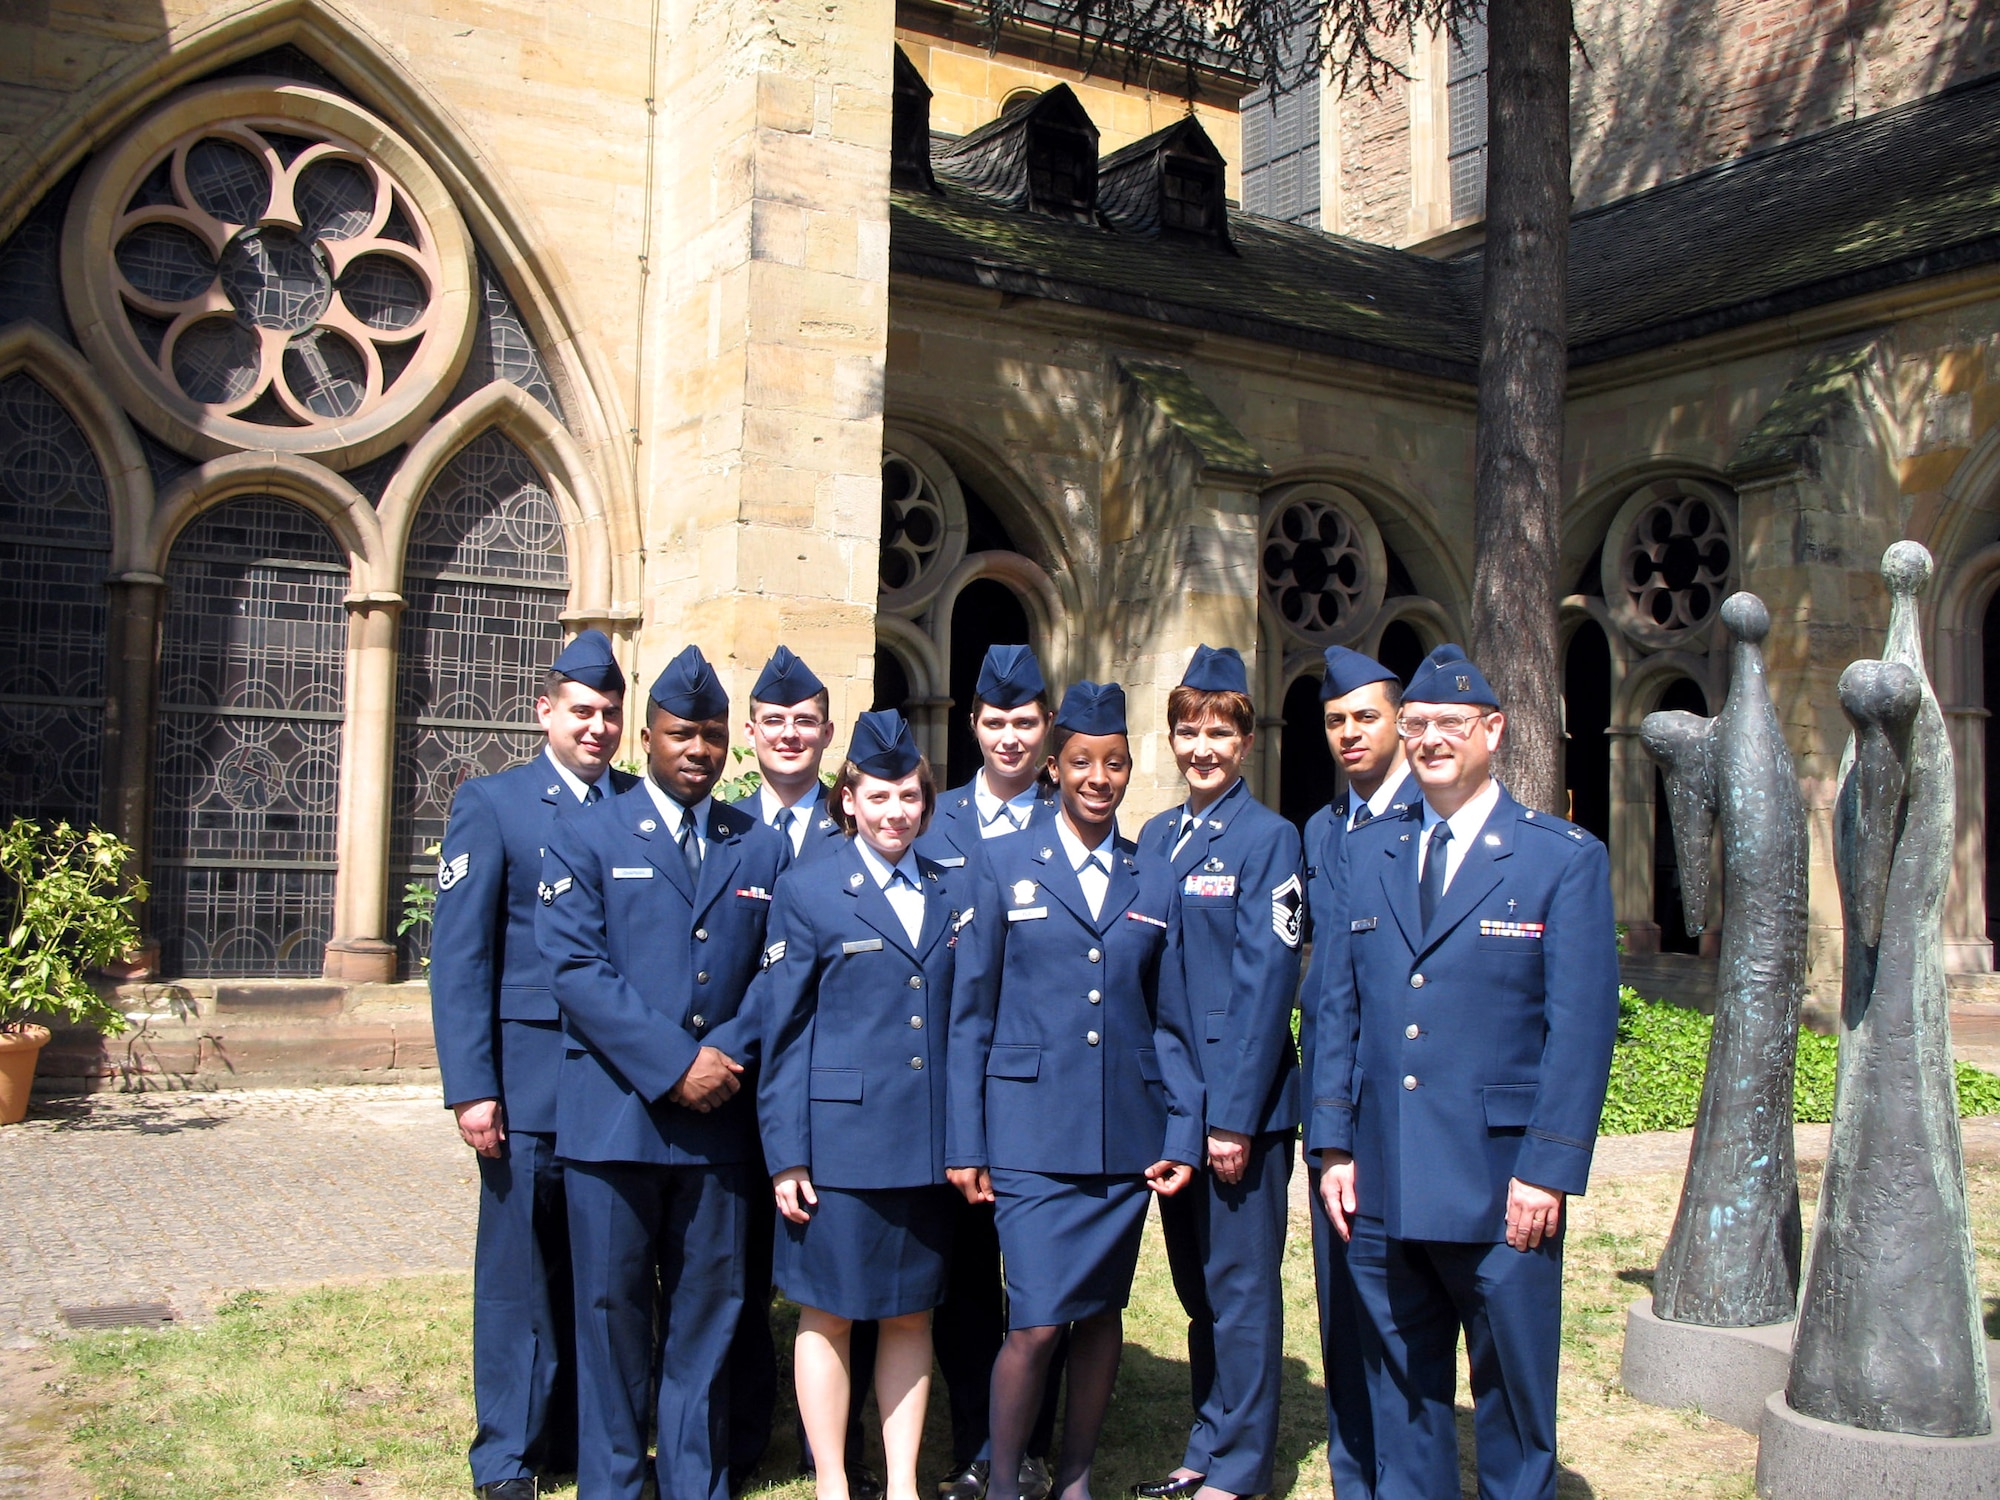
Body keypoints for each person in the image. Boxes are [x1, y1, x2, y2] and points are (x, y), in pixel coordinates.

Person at [1308, 646, 1619, 1500]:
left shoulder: (1561, 858)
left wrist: (1547, 1170)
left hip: (1500, 1187)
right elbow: (1336, 1007)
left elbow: (1582, 1030)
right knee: (1402, 1397)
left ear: (1494, 732)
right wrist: (1333, 1147)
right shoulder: (1364, 852)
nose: (1432, 739)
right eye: (1416, 725)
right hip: (1383, 1179)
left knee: (1513, 1406)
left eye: (1451, 724)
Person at [537, 644, 790, 1500]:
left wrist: (726, 1054)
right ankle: (612, 1484)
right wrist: (676, 1063)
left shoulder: (756, 845)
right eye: (682, 733)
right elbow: (574, 969)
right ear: (647, 737)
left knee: (707, 1319)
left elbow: (782, 967)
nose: (699, 750)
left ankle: (695, 1481)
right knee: (609, 1319)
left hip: (720, 1127)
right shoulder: (586, 833)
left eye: (713, 737)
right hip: (615, 1124)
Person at [948, 680, 1201, 1500]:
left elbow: (1174, 1022)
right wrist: (966, 1140)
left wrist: (1182, 1131)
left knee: (1099, 1317)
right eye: (1084, 761)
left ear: (1130, 771)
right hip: (1027, 1137)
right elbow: (970, 1013)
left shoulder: (1153, 879)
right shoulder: (1003, 863)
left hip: (1122, 1140)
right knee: (1034, 1322)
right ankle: (1003, 1482)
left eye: (1116, 763)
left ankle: (1078, 1480)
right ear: (1055, 768)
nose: (1100, 777)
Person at [430, 629, 638, 1500]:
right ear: (545, 711)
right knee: (518, 1272)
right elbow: (462, 956)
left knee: (605, 1275)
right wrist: (474, 1087)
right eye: (582, 712)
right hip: (529, 1080)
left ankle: (587, 1440)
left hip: (621, 1087)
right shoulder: (496, 805)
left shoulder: (638, 805)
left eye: (611, 715)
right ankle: (508, 1454)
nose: (598, 729)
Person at [757, 709, 967, 1500]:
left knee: (912, 1312)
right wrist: (788, 1153)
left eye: (910, 797)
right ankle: (835, 1482)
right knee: (829, 1314)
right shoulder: (810, 889)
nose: (895, 813)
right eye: (878, 797)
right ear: (849, 799)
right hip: (838, 1147)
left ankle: (903, 1482)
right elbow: (782, 1034)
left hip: (924, 1143)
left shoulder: (948, 887)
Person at [1134, 645, 1304, 1500]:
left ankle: (1240, 1467)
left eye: (1219, 732)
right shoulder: (1158, 836)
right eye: (1188, 730)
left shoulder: (1271, 840)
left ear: (1245, 739)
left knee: (1241, 1292)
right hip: (1178, 1102)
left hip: (1242, 1112)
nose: (1202, 747)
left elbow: (1267, 987)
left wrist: (1231, 1119)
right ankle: (1208, 1437)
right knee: (1199, 1289)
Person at [917, 642, 1063, 1500]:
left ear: (1046, 729)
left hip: (1046, 1095)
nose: (1010, 738)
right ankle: (977, 1439)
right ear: (972, 724)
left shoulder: (1072, 818)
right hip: (957, 1084)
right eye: (995, 722)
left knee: (1041, 1285)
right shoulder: (933, 824)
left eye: (1025, 723)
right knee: (967, 1280)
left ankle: (1033, 1443)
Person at [726, 644, 862, 1494]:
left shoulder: (854, 832)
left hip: (826, 1097)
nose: (788, 734)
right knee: (734, 1274)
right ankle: (744, 1438)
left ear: (826, 733)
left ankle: (843, 1448)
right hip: (733, 1085)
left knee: (839, 1279)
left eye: (804, 721)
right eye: (773, 721)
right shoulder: (726, 828)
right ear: (751, 731)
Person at [1297, 644, 1415, 1500]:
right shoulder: (1321, 829)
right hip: (1332, 1097)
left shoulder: (1424, 819)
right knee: (1339, 1304)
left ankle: (1402, 1465)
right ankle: (1353, 1473)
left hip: (1406, 1102)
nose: (1348, 734)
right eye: (1335, 721)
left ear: (1400, 722)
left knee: (1399, 1306)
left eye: (1364, 717)